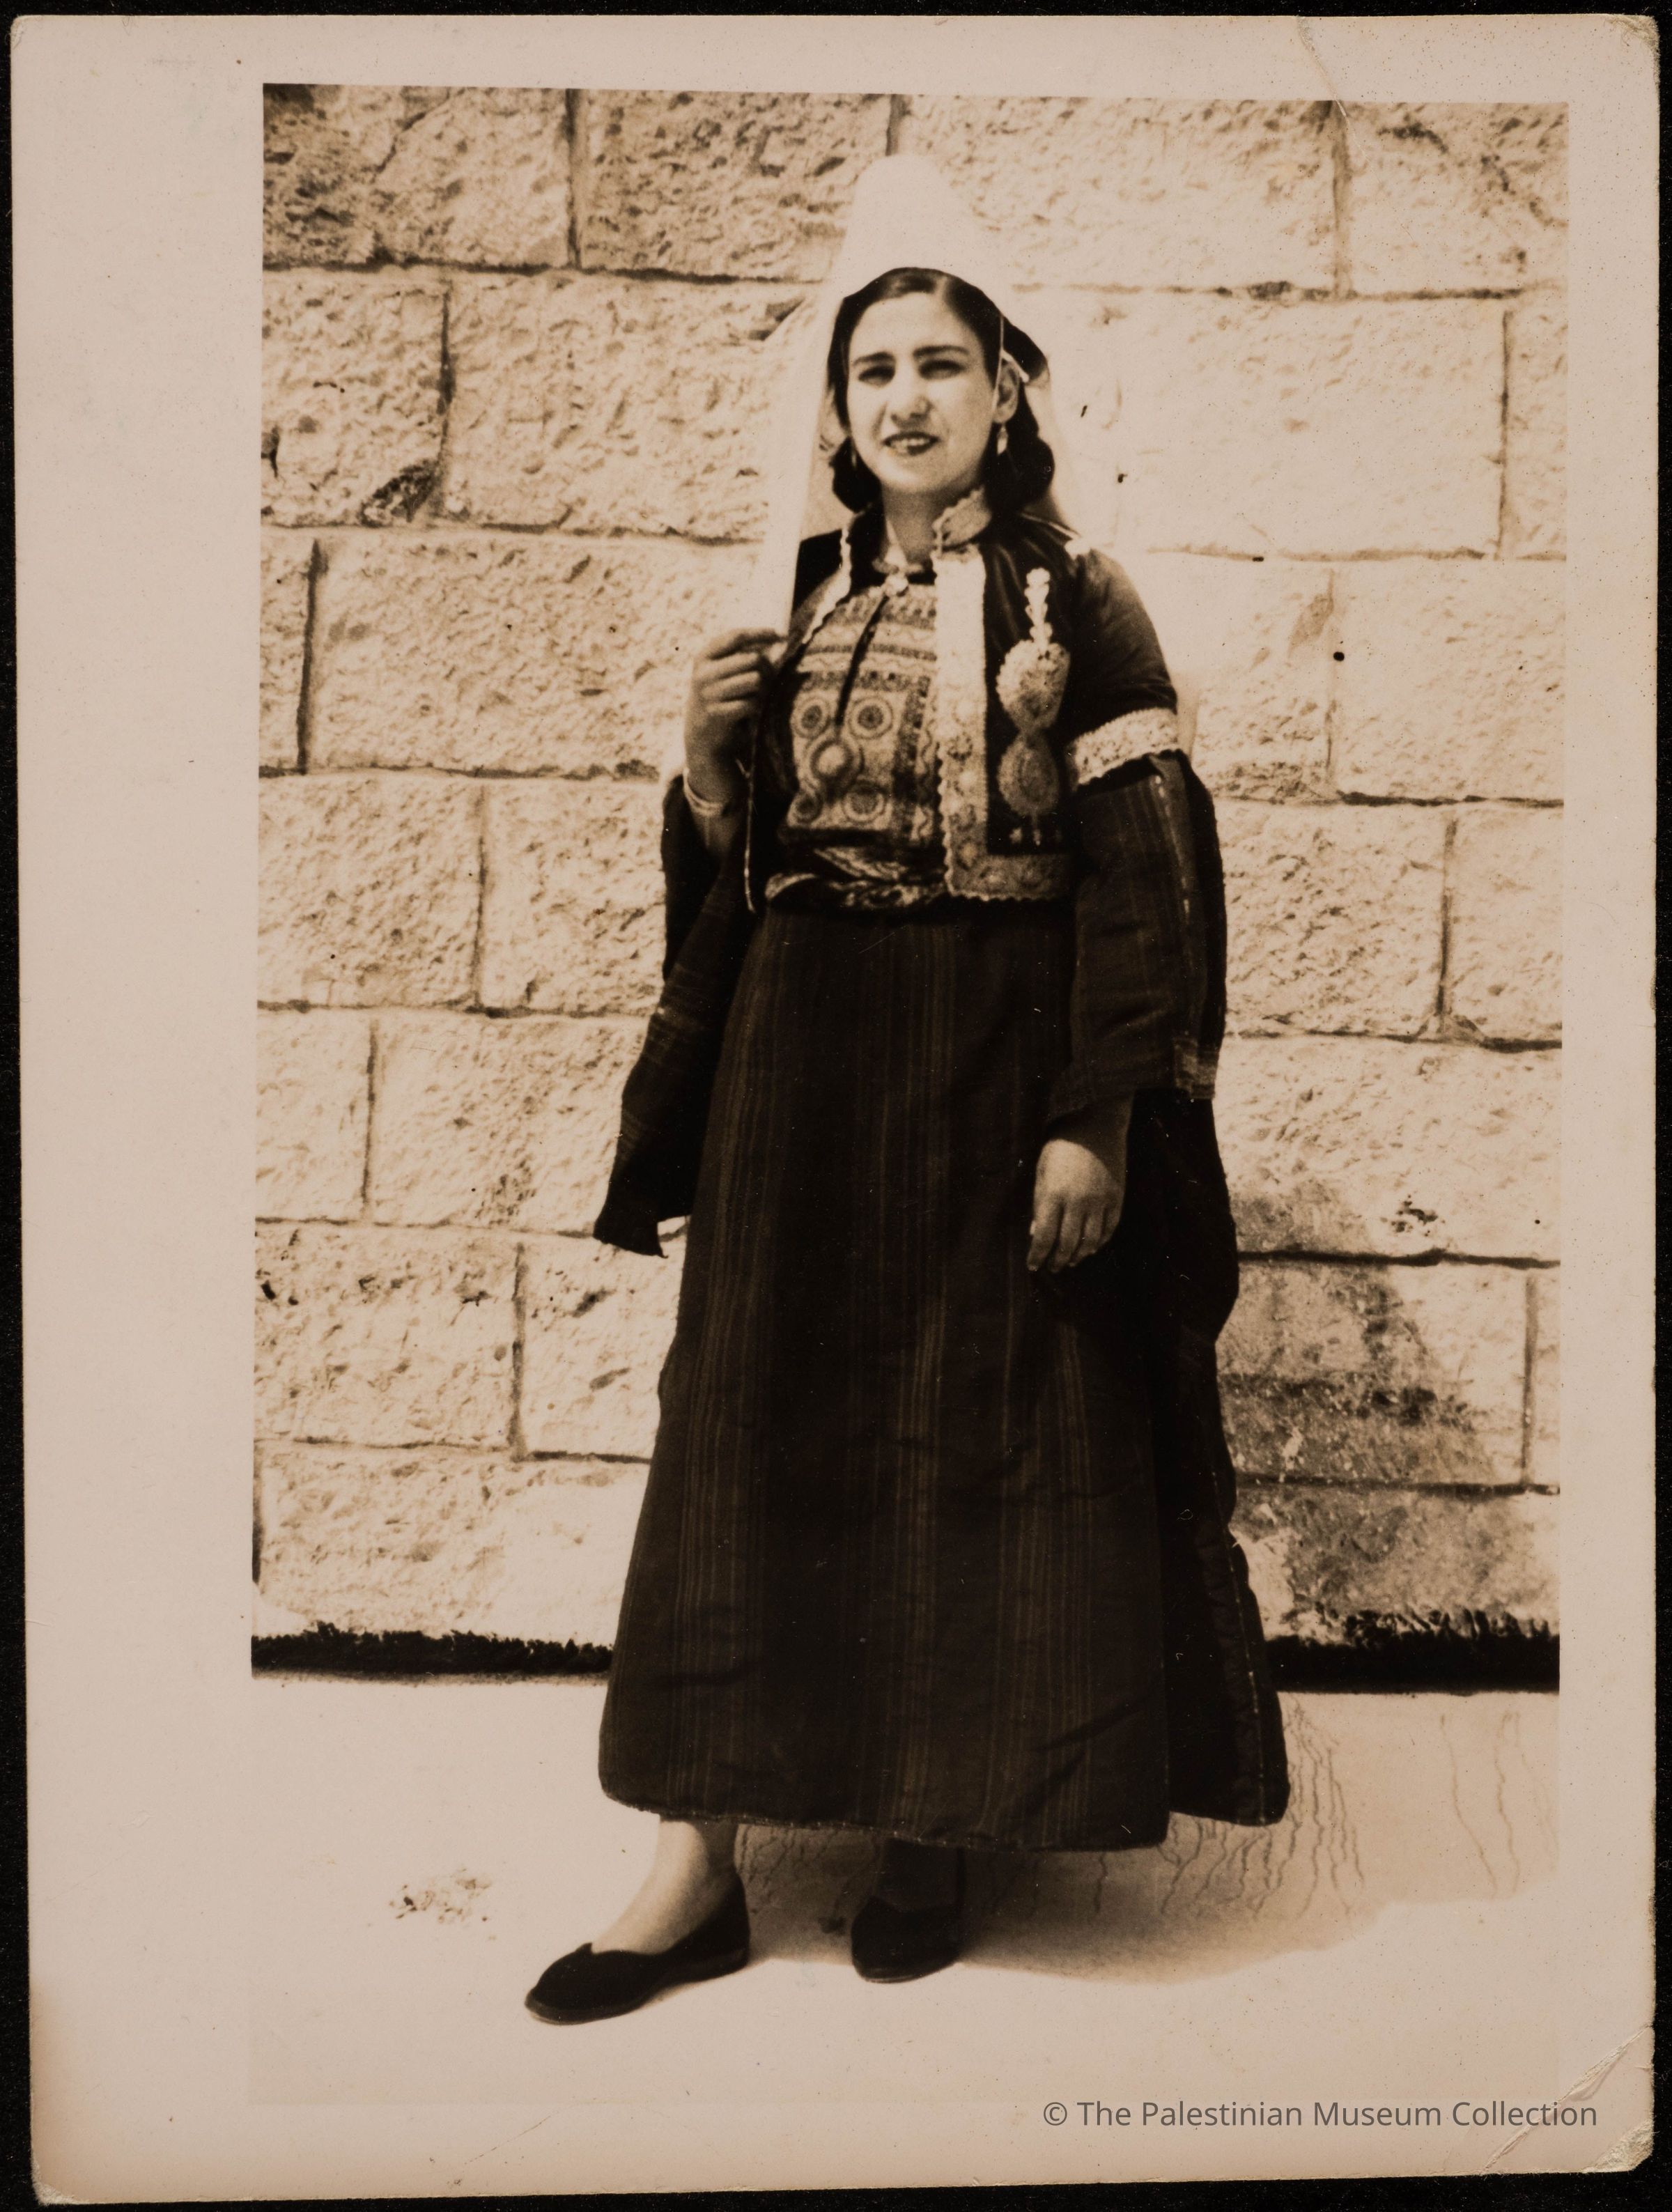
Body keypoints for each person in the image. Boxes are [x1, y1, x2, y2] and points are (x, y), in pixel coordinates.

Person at [526, 158, 1288, 2027]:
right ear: (836, 407)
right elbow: (742, 874)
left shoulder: (1076, 598)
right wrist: (710, 774)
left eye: (942, 363)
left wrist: (1094, 1115)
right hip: (796, 1061)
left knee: (969, 1432)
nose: (906, 399)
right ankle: (695, 1864)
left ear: (1005, 389)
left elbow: (1150, 873)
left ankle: (930, 1827)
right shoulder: (782, 599)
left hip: (986, 1061)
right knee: (744, 1431)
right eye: (874, 371)